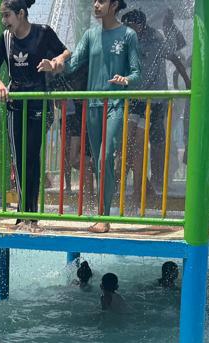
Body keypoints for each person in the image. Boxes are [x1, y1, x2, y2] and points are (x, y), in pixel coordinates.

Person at [0, 0, 70, 233]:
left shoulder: (43, 33)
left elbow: (65, 52)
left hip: (39, 104)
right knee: (19, 159)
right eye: (2, 16)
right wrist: (0, 85)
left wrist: (55, 62)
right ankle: (25, 215)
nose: (4, 21)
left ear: (21, 14)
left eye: (7, 16)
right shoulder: (5, 39)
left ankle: (29, 216)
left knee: (31, 158)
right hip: (16, 106)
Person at [66, 0, 140, 233]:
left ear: (114, 4)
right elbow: (72, 64)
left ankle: (104, 217)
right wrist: (55, 63)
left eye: (101, 1)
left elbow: (137, 72)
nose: (96, 5)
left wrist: (126, 80)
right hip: (93, 106)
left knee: (105, 157)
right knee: (98, 163)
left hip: (115, 104)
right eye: (94, 1)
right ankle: (103, 213)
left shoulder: (128, 35)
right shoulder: (90, 35)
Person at [122, 9, 190, 200]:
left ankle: (157, 180)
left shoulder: (155, 39)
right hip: (135, 98)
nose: (127, 29)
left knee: (156, 140)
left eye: (130, 26)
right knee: (129, 141)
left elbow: (175, 57)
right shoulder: (127, 40)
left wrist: (187, 81)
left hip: (156, 99)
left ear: (140, 25)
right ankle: (133, 182)